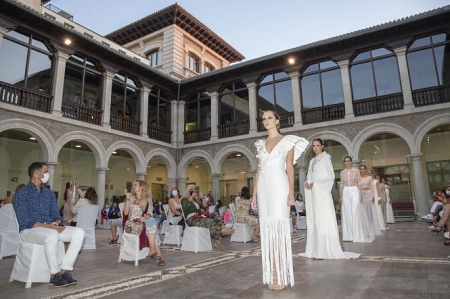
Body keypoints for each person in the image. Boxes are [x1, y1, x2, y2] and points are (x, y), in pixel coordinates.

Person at [251, 110, 308, 290]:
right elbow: (258, 171)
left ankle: (281, 274)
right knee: (267, 229)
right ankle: (271, 273)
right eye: (263, 119)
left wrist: (291, 191)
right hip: (264, 189)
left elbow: (289, 169)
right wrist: (254, 195)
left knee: (279, 228)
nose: (266, 121)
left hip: (279, 186)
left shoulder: (286, 142)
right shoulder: (261, 144)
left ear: (277, 120)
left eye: (269, 118)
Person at [12, 162, 85, 287]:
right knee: (52, 235)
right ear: (36, 173)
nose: (48, 174)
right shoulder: (22, 193)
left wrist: (57, 224)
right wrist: (48, 227)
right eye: (45, 172)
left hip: (50, 229)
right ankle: (53, 274)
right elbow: (24, 220)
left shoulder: (49, 193)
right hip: (29, 231)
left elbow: (56, 215)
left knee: (79, 233)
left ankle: (64, 269)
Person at [299, 138, 360, 259]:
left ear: (322, 146)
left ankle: (325, 249)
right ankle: (315, 249)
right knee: (315, 218)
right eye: (313, 146)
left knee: (323, 217)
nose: (315, 148)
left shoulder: (326, 158)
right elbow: (310, 175)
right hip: (314, 193)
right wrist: (307, 182)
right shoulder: (312, 161)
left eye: (317, 145)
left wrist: (316, 183)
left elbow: (330, 176)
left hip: (322, 192)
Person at [123, 180, 165, 266]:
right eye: (133, 185)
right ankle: (158, 255)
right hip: (132, 224)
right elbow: (126, 213)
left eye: (136, 185)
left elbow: (150, 213)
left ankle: (153, 251)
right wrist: (127, 197)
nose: (134, 186)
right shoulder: (131, 198)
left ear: (142, 187)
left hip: (145, 222)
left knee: (151, 221)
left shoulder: (148, 200)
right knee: (153, 226)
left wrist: (144, 218)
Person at [181, 184, 234, 251]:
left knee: (214, 214)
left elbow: (205, 207)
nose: (194, 191)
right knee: (211, 221)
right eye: (191, 190)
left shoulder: (196, 200)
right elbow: (185, 207)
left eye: (194, 190)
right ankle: (218, 242)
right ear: (188, 191)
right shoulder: (184, 199)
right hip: (191, 219)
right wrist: (191, 197)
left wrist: (202, 198)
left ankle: (223, 227)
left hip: (198, 217)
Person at [339, 156, 374, 243]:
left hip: (355, 191)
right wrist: (340, 196)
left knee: (355, 212)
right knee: (347, 212)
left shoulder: (356, 171)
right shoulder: (342, 172)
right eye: (345, 161)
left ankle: (357, 235)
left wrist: (360, 195)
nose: (347, 162)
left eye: (348, 161)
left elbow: (359, 184)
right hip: (346, 191)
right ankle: (349, 236)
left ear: (351, 162)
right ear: (344, 162)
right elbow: (341, 185)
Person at [359, 165, 381, 236]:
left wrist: (373, 196)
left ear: (365, 170)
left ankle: (371, 228)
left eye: (363, 169)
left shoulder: (369, 178)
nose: (362, 170)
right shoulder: (359, 178)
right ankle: (365, 229)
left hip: (368, 195)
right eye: (361, 169)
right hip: (362, 195)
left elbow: (372, 187)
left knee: (370, 212)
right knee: (363, 213)